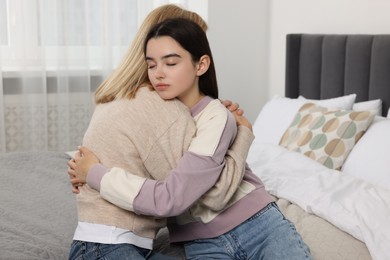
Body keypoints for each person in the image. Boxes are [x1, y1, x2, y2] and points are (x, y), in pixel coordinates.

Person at [70, 18, 312, 259]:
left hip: (257, 224)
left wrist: (94, 174)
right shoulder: (158, 116)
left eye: (171, 63)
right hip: (199, 241)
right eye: (151, 65)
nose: (159, 74)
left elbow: (204, 197)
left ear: (201, 65)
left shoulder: (216, 116)